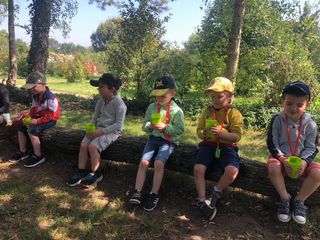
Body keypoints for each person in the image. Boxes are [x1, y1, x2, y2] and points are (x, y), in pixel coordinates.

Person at [267, 81, 320, 225]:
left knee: (318, 173)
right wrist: (282, 158)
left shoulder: (311, 123)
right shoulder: (277, 119)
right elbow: (272, 143)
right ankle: (285, 198)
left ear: (307, 104)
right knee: (273, 167)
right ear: (282, 101)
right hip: (281, 159)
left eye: (299, 104)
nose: (293, 108)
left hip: (302, 161)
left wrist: (304, 161)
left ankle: (299, 201)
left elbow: (312, 147)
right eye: (289, 103)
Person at [128, 76, 185, 211]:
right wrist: (150, 126)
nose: (159, 99)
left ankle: (154, 194)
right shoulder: (152, 107)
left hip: (168, 141)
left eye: (163, 95)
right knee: (144, 162)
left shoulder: (177, 111)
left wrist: (165, 127)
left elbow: (180, 130)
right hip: (153, 139)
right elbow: (145, 125)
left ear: (173, 93)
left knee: (159, 163)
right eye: (157, 96)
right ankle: (137, 191)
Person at [193, 77, 243, 220]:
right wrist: (204, 134)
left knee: (232, 171)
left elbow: (237, 136)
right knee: (198, 169)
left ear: (230, 96)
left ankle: (215, 192)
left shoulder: (234, 113)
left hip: (227, 147)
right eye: (212, 96)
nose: (215, 99)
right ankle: (202, 200)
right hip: (208, 145)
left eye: (219, 96)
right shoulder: (207, 111)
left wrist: (222, 133)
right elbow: (199, 130)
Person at [67, 73, 127, 188]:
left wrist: (101, 132)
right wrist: (90, 127)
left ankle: (95, 173)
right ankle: (81, 171)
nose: (98, 89)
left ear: (112, 89)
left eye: (101, 87)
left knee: (92, 146)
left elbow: (119, 125)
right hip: (98, 129)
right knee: (84, 144)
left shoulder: (120, 104)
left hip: (111, 132)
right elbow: (95, 118)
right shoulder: (101, 102)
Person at [9, 71, 60, 167]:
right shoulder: (36, 96)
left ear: (43, 84)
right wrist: (28, 117)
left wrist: (36, 121)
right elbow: (33, 110)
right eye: (31, 87)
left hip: (50, 120)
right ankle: (22, 151)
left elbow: (51, 115)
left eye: (34, 87)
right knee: (21, 127)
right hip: (38, 118)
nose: (32, 89)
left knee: (32, 130)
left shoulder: (50, 98)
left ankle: (38, 156)